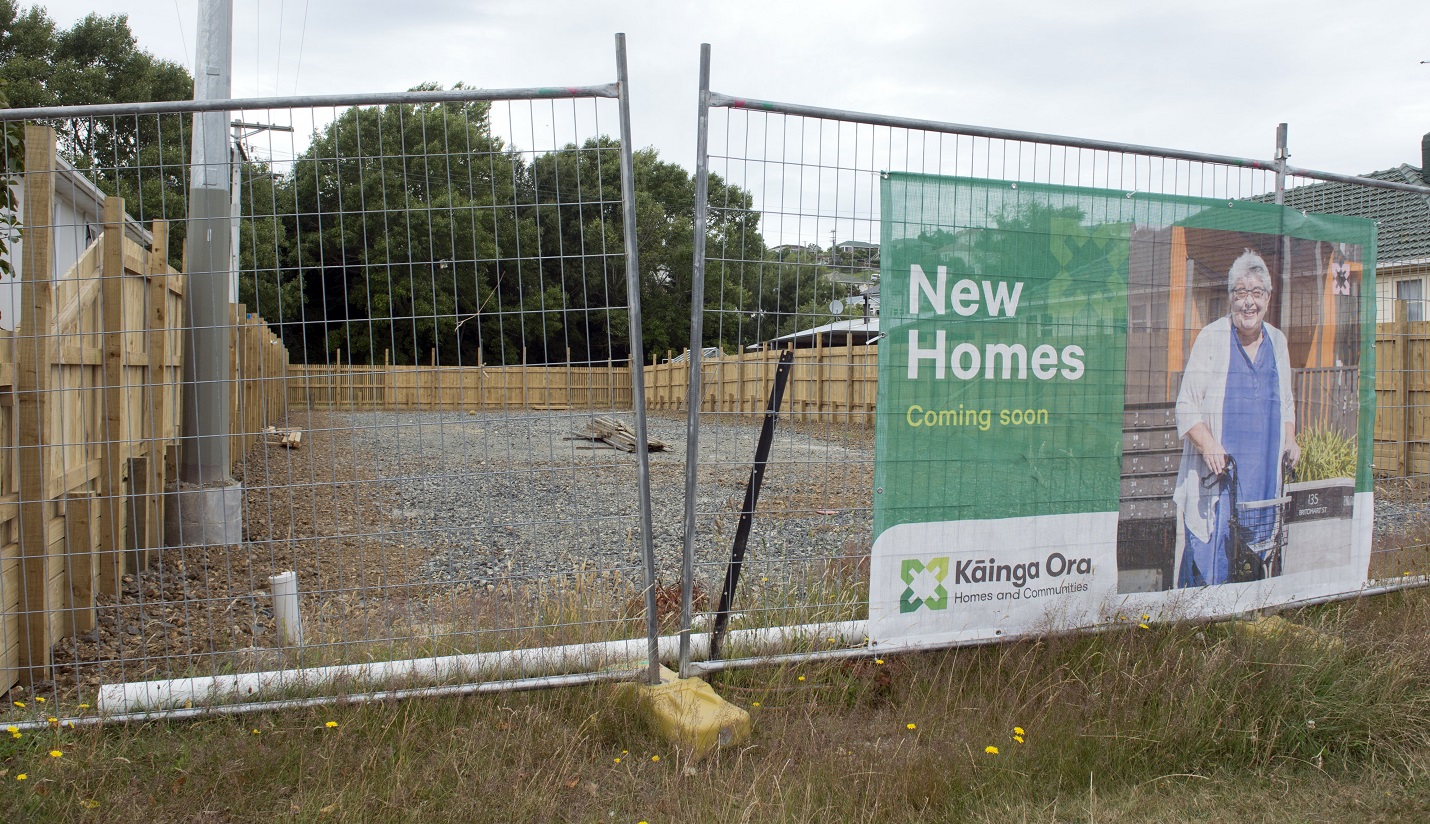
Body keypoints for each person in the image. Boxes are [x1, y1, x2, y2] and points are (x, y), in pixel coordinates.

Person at [1173, 249, 1301, 587]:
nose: (1248, 303)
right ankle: (1198, 625)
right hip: (1220, 477)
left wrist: (1290, 440)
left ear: (1268, 298)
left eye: (1256, 293)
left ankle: (1247, 624)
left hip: (1262, 477)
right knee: (1209, 561)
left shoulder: (1278, 341)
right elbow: (1186, 405)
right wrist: (1209, 444)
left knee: (1257, 563)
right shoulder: (1211, 338)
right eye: (1240, 292)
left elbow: (1286, 403)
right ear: (1230, 297)